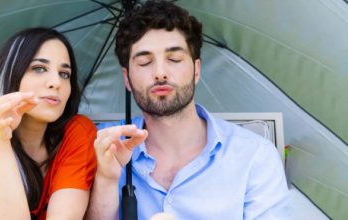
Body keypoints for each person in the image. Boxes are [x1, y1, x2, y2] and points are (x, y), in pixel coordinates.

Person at [86, 1, 289, 219]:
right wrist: (106, 180)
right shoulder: (101, 146)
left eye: (174, 59)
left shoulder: (255, 156)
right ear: (127, 78)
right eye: (145, 62)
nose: (160, 73)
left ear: (196, 70)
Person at [0, 27, 97, 220]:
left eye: (64, 74)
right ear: (11, 76)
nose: (56, 82)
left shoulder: (77, 132)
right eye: (39, 69)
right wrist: (1, 142)